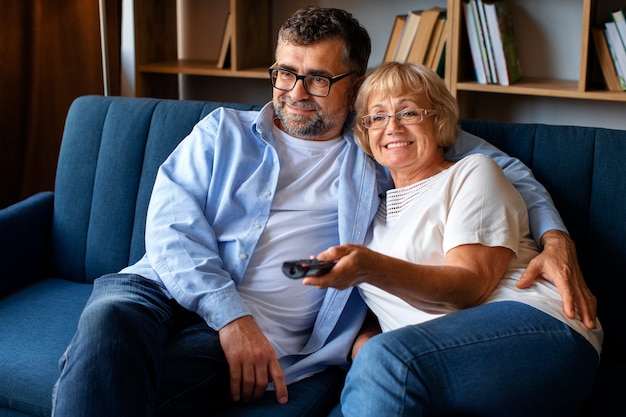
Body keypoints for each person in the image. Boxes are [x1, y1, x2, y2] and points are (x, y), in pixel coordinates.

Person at [51, 7, 596, 417]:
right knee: (109, 320)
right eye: (285, 73)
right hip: (166, 287)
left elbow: (508, 171)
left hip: (268, 332)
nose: (295, 92)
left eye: (318, 78)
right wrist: (230, 315)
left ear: (354, 86)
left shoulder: (381, 144)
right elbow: (171, 229)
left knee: (116, 380)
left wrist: (555, 239)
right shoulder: (222, 131)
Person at [307, 62, 603, 417]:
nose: (393, 127)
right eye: (378, 117)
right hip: (428, 359)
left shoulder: (472, 173)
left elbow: (470, 287)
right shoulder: (370, 213)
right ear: (366, 132)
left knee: (384, 359)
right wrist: (366, 336)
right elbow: (390, 297)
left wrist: (370, 269)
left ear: (439, 120)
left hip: (536, 326)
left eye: (409, 112)